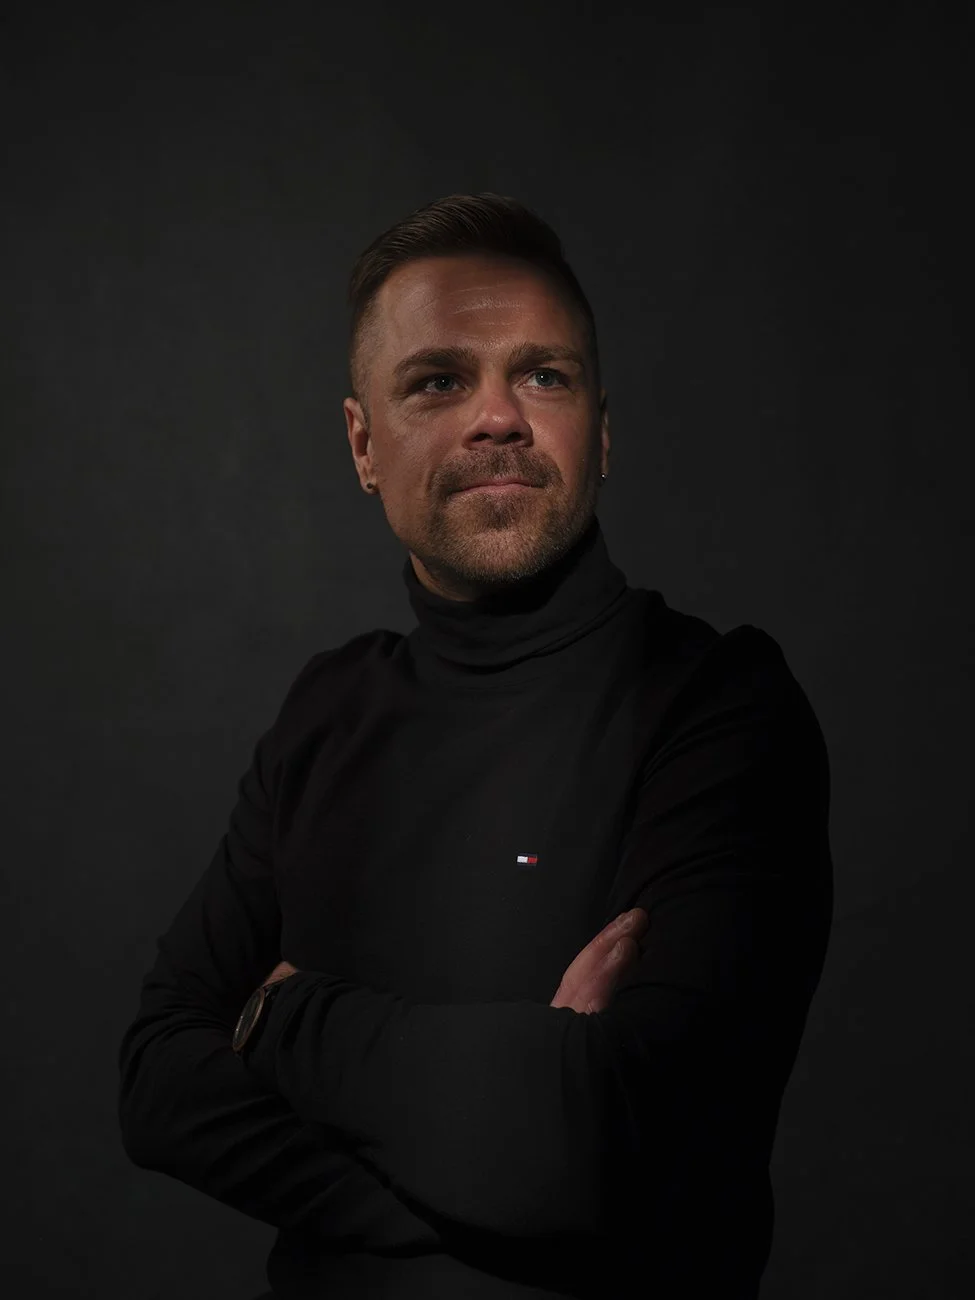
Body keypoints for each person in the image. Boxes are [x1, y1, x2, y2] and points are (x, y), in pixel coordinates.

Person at [117, 192, 833, 1298]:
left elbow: (612, 1144)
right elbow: (158, 1083)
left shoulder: (719, 705)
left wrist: (280, 1013)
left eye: (542, 375)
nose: (498, 416)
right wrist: (481, 1161)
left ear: (602, 430)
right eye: (439, 381)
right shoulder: (326, 711)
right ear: (363, 444)